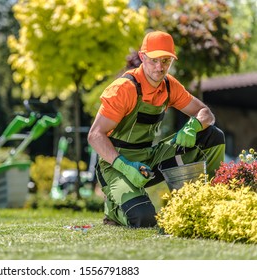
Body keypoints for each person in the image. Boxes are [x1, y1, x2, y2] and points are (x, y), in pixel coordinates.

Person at [87, 30, 225, 228]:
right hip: (114, 164)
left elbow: (205, 113)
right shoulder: (123, 89)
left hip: (149, 158)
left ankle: (208, 201)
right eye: (154, 60)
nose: (160, 67)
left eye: (166, 60)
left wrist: (193, 126)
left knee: (212, 136)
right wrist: (124, 165)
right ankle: (113, 211)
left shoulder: (170, 86)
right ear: (142, 57)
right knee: (144, 218)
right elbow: (94, 135)